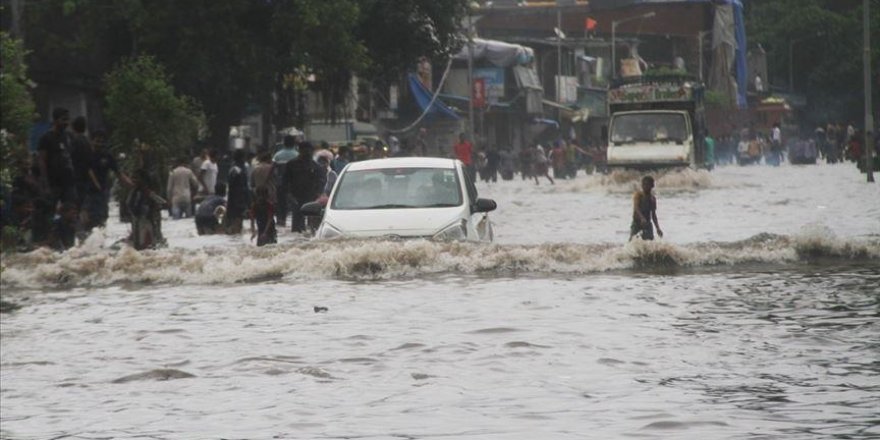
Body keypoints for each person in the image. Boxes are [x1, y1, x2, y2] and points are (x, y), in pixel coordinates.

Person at [34, 108, 76, 246]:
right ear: (55, 120)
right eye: (63, 119)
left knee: (70, 214)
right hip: (53, 183)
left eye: (67, 120)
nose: (66, 123)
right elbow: (41, 160)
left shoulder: (69, 137)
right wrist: (45, 182)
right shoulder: (46, 138)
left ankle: (69, 242)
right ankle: (47, 243)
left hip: (68, 182)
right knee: (49, 213)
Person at [83, 130, 132, 229]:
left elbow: (118, 173)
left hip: (102, 191)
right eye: (97, 141)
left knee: (103, 216)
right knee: (89, 217)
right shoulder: (86, 155)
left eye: (102, 142)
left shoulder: (107, 156)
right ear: (91, 141)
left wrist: (130, 184)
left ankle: (100, 235)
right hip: (87, 191)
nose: (99, 144)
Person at [283, 141, 325, 233]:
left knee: (313, 223)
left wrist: (318, 194)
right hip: (296, 196)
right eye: (305, 151)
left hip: (312, 196)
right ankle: (298, 239)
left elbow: (321, 181)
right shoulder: (291, 164)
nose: (308, 153)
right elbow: (285, 181)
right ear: (300, 151)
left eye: (310, 151)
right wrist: (289, 195)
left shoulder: (316, 166)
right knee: (297, 224)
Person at [273, 135, 299, 227]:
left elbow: (273, 170)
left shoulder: (277, 155)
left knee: (281, 204)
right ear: (294, 143)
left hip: (280, 184)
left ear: (284, 143)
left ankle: (281, 222)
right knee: (295, 204)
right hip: (294, 185)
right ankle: (295, 224)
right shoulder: (297, 155)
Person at [224, 149, 250, 234]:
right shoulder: (238, 170)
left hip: (234, 200)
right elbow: (242, 187)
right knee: (237, 224)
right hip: (238, 201)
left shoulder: (234, 169)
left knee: (235, 224)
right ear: (242, 158)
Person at [630, 175, 663, 241]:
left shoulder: (652, 199)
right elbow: (636, 208)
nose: (645, 186)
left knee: (650, 242)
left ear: (652, 186)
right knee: (632, 241)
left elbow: (653, 215)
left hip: (647, 224)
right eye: (643, 184)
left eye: (647, 184)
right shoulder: (638, 195)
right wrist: (642, 218)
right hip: (637, 223)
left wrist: (658, 228)